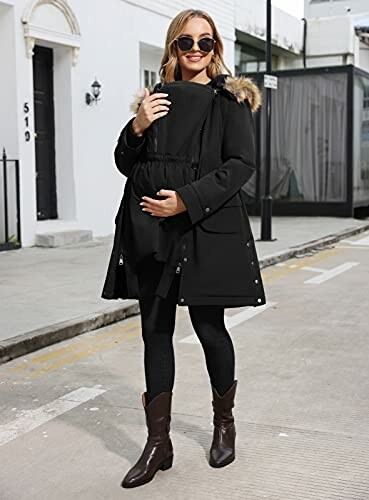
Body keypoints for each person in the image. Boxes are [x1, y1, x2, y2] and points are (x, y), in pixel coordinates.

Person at [101, 8, 266, 489]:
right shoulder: (153, 100)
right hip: (152, 229)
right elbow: (124, 163)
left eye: (206, 43)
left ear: (216, 49)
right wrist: (135, 127)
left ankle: (224, 423)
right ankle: (158, 443)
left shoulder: (229, 101)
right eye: (186, 43)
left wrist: (186, 202)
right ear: (172, 47)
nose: (196, 51)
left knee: (210, 328)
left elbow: (240, 166)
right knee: (155, 330)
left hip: (203, 226)